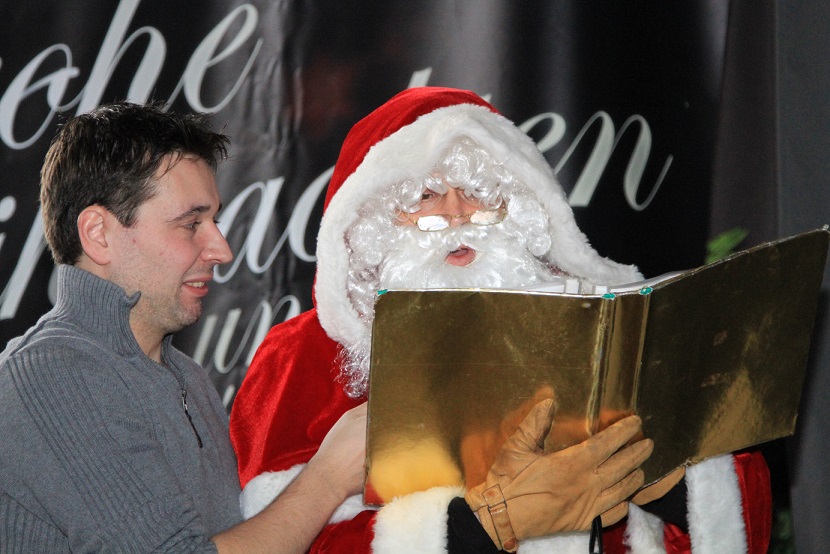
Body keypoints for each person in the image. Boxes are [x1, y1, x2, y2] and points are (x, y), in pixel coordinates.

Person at [230, 86, 773, 553]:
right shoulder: (304, 358)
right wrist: (479, 526)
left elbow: (736, 515)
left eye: (478, 191)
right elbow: (285, 538)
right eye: (425, 195)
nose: (456, 213)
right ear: (369, 221)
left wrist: (658, 477)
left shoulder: (603, 330)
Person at [0, 102, 366, 553]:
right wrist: (328, 478)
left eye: (214, 221)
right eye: (191, 224)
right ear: (97, 234)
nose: (221, 250)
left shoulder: (186, 378)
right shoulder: (53, 375)